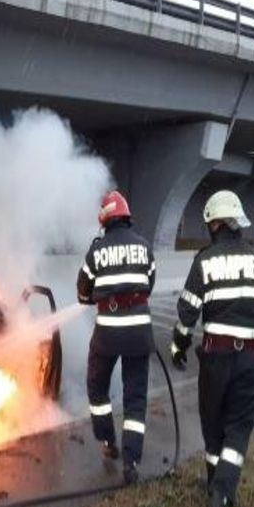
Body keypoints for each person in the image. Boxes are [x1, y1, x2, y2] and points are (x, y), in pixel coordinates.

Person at [169, 190, 254, 507]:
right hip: (250, 359)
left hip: (214, 357)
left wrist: (178, 347)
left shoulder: (204, 259)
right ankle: (223, 490)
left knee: (213, 425)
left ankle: (215, 485)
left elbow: (187, 312)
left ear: (216, 224)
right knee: (238, 426)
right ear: (237, 223)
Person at [77, 190, 156, 485]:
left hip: (107, 334)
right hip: (139, 333)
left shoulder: (96, 252)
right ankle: (132, 461)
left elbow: (83, 291)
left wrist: (94, 297)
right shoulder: (145, 248)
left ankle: (108, 442)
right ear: (126, 217)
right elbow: (148, 284)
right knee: (135, 398)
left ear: (104, 220)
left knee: (97, 387)